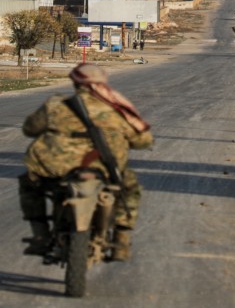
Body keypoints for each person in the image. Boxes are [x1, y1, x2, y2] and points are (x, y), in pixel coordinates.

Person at [18, 63, 153, 262]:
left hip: (56, 168)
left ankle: (40, 234)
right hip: (104, 168)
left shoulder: (56, 105)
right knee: (129, 187)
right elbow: (143, 140)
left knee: (29, 183)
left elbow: (30, 128)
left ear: (75, 83)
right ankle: (121, 241)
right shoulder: (116, 108)